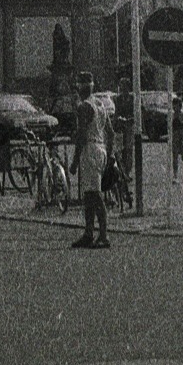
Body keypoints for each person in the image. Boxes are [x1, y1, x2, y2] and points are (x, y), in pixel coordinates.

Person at [71, 71, 112, 249]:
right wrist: (109, 155)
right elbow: (110, 132)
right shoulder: (100, 104)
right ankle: (88, 233)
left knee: (95, 195)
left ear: (80, 88)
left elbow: (81, 135)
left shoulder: (84, 107)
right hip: (101, 147)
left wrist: (74, 162)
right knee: (88, 194)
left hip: (90, 149)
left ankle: (103, 235)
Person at [171, 95, 183, 183]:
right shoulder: (172, 115)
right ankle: (175, 176)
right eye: (173, 105)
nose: (174, 107)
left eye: (176, 105)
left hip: (182, 138)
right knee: (174, 158)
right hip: (175, 138)